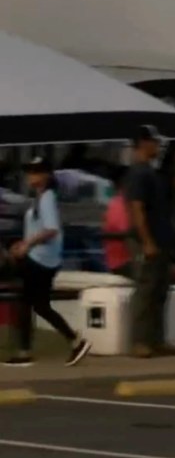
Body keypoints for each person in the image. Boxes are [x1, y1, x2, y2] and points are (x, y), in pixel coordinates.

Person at [4, 157, 91, 367]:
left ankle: (25, 352)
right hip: (41, 259)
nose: (31, 176)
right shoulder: (42, 197)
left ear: (46, 175)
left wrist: (27, 246)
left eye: (35, 172)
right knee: (39, 305)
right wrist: (23, 244)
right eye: (30, 172)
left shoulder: (47, 198)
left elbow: (51, 229)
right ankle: (74, 340)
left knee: (28, 303)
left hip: (40, 260)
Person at [126, 125, 175, 359]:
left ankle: (157, 339)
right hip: (147, 241)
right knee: (145, 290)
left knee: (160, 291)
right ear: (143, 143)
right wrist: (146, 241)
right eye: (154, 142)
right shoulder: (138, 173)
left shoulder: (153, 173)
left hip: (161, 239)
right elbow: (137, 209)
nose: (158, 147)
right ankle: (139, 340)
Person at [102, 166, 133, 278]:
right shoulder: (119, 205)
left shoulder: (128, 204)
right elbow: (128, 233)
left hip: (131, 259)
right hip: (123, 263)